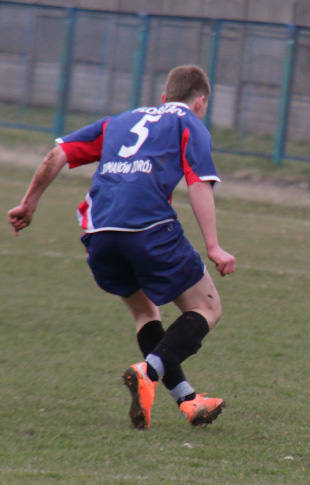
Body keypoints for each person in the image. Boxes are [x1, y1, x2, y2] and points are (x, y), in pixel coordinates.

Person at [8, 65, 236, 430]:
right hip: (147, 226)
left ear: (164, 97)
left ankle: (189, 401)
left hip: (99, 232)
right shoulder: (189, 122)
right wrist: (214, 245)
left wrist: (28, 203)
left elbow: (58, 154)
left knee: (146, 313)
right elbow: (199, 183)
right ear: (201, 102)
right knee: (207, 306)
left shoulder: (119, 120)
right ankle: (148, 372)